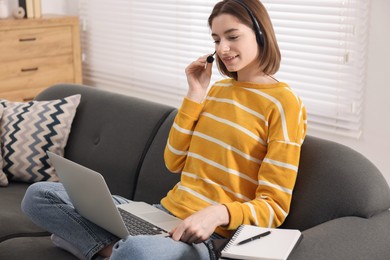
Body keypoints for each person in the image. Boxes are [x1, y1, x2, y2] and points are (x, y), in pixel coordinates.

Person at [21, 0, 307, 259]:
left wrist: (218, 213)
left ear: (260, 33)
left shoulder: (284, 105)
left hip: (206, 237)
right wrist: (195, 93)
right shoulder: (217, 90)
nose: (222, 49)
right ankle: (109, 251)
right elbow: (173, 161)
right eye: (216, 39)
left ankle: (97, 246)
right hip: (161, 214)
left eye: (232, 37)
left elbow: (274, 207)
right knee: (38, 196)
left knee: (137, 250)